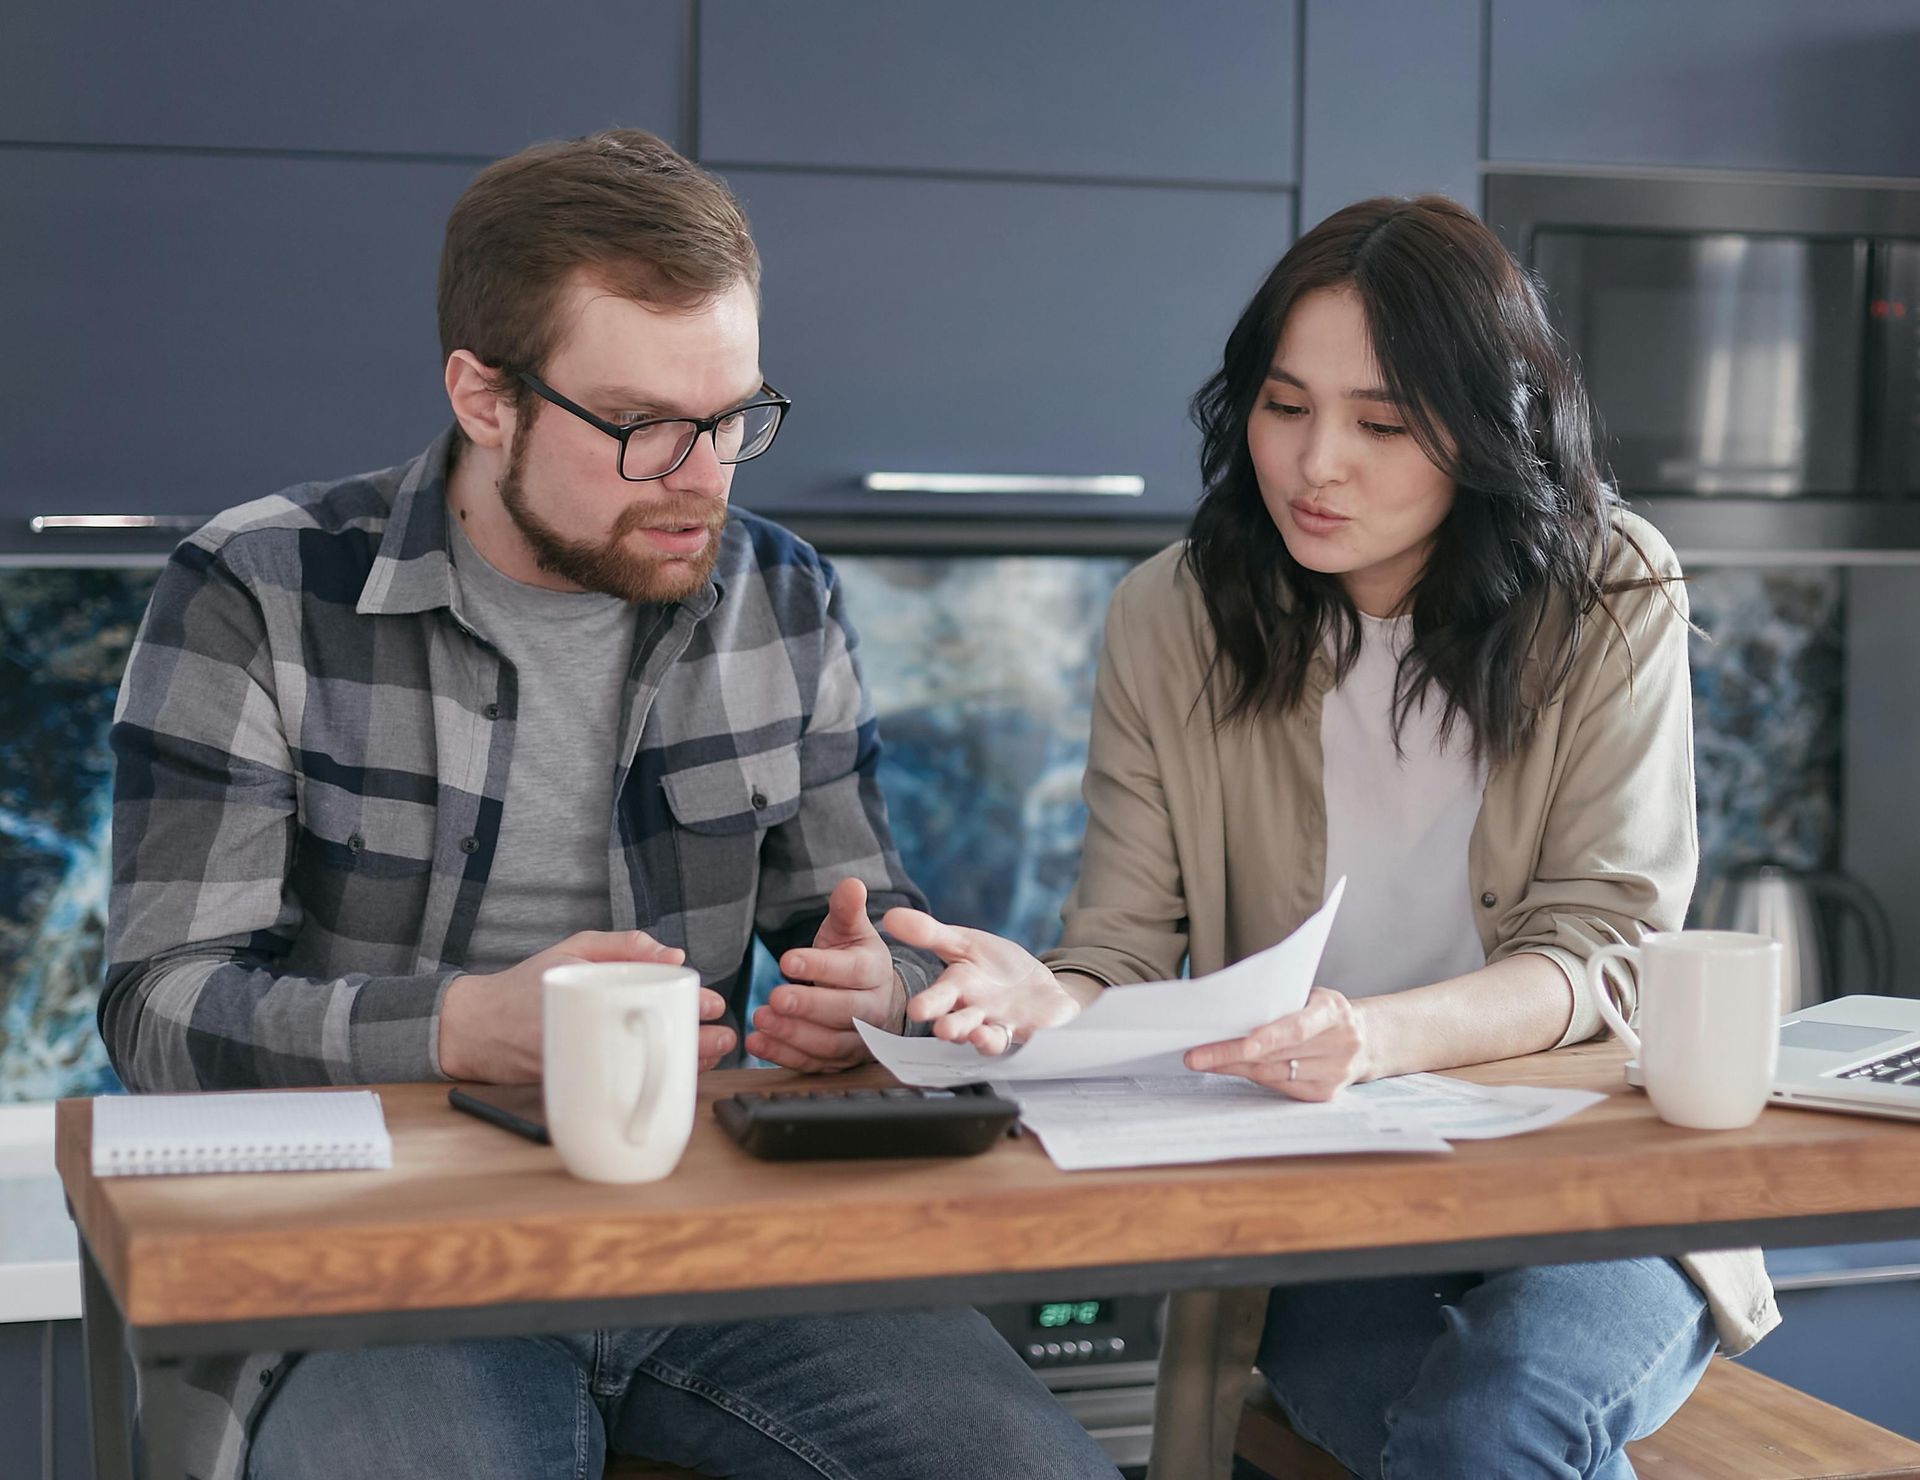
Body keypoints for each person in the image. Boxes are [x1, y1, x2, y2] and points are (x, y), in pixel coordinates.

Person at [103, 129, 1121, 1480]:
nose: (703, 476)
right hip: (386, 1266)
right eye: (643, 427)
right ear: (485, 397)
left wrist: (876, 995)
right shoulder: (256, 593)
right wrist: (464, 1027)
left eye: (734, 419)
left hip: (725, 1247)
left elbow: (868, 920)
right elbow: (157, 1009)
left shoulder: (784, 595)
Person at [886, 196, 1778, 1479]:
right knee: (1462, 1442)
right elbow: (1121, 953)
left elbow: (1609, 942)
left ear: (1486, 431)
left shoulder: (1610, 591)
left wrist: (1377, 1034)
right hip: (1331, 1192)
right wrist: (1050, 995)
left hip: (1590, 1177)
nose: (1315, 465)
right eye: (1285, 406)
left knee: (1501, 1414)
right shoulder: (1171, 617)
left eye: (1382, 424)